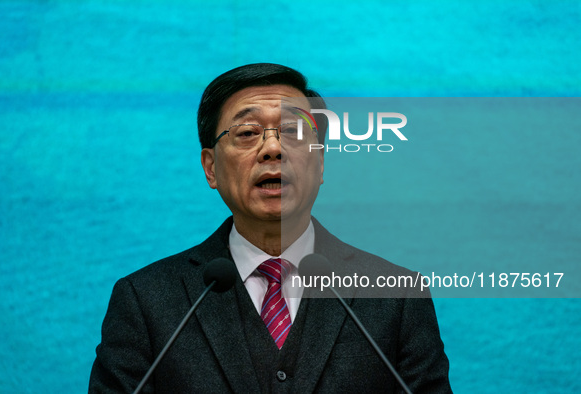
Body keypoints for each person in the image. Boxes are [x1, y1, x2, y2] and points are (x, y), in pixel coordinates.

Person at [89, 63, 452, 393]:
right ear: (210, 167)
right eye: (247, 132)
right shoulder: (145, 301)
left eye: (294, 130)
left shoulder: (397, 296)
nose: (273, 148)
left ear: (321, 162)